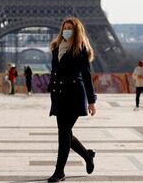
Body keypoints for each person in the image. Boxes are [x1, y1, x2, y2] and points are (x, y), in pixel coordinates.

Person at [47, 17, 97, 182]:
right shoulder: (56, 48)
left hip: (74, 95)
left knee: (63, 134)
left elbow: (87, 76)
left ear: (76, 31)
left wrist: (91, 101)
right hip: (59, 95)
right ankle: (87, 155)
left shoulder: (81, 49)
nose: (66, 30)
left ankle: (59, 171)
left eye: (70, 28)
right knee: (66, 133)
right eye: (64, 27)